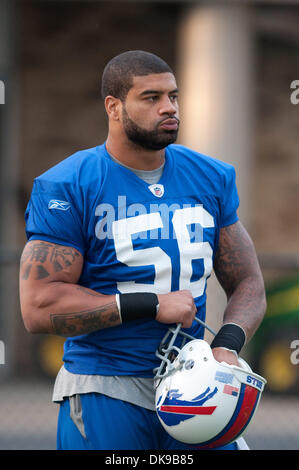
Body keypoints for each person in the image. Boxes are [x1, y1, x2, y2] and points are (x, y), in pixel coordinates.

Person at [19, 50, 266, 451]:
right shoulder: (68, 185)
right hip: (106, 387)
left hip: (194, 384)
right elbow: (39, 306)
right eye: (151, 98)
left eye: (173, 96)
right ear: (114, 108)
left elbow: (249, 282)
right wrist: (149, 304)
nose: (169, 108)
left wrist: (227, 345)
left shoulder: (211, 176)